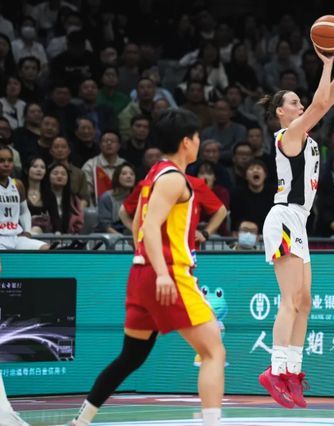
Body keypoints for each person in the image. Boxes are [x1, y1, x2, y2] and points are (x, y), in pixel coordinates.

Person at [70, 109, 225, 426]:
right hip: (168, 273)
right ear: (186, 142)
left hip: (141, 275)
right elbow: (150, 226)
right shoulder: (173, 179)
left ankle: (81, 421)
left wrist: (147, 261)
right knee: (214, 352)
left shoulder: (154, 173)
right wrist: (163, 273)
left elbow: (138, 225)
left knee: (131, 357)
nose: (199, 142)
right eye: (197, 137)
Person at [256, 35, 334, 409]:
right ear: (280, 112)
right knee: (289, 300)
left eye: (299, 103)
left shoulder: (304, 135)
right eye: (293, 102)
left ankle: (292, 371)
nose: (300, 105)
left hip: (297, 222)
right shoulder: (288, 135)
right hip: (284, 216)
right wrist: (328, 62)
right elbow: (321, 102)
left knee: (305, 302)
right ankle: (275, 370)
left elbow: (326, 101)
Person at [0, 145, 47, 250]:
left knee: (45, 248)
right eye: (1, 161)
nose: (6, 164)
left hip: (15, 236)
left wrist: (27, 231)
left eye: (10, 160)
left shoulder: (18, 184)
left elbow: (24, 211)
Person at [97, 163, 136, 234]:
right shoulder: (106, 197)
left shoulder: (137, 198)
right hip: (112, 236)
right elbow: (106, 226)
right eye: (124, 174)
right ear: (116, 177)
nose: (129, 176)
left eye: (132, 174)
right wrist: (122, 239)